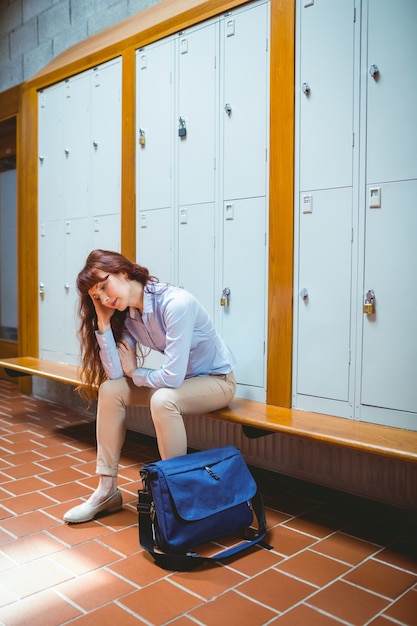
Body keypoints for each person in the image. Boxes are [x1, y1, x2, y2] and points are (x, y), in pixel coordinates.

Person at [63, 249, 236, 523]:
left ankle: (177, 495)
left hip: (216, 382)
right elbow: (117, 375)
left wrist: (137, 371)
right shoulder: (128, 315)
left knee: (162, 399)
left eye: (105, 286)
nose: (106, 298)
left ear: (122, 271)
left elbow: (171, 379)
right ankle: (106, 490)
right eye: (97, 297)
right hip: (178, 385)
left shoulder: (174, 304)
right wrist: (104, 322)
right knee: (110, 390)